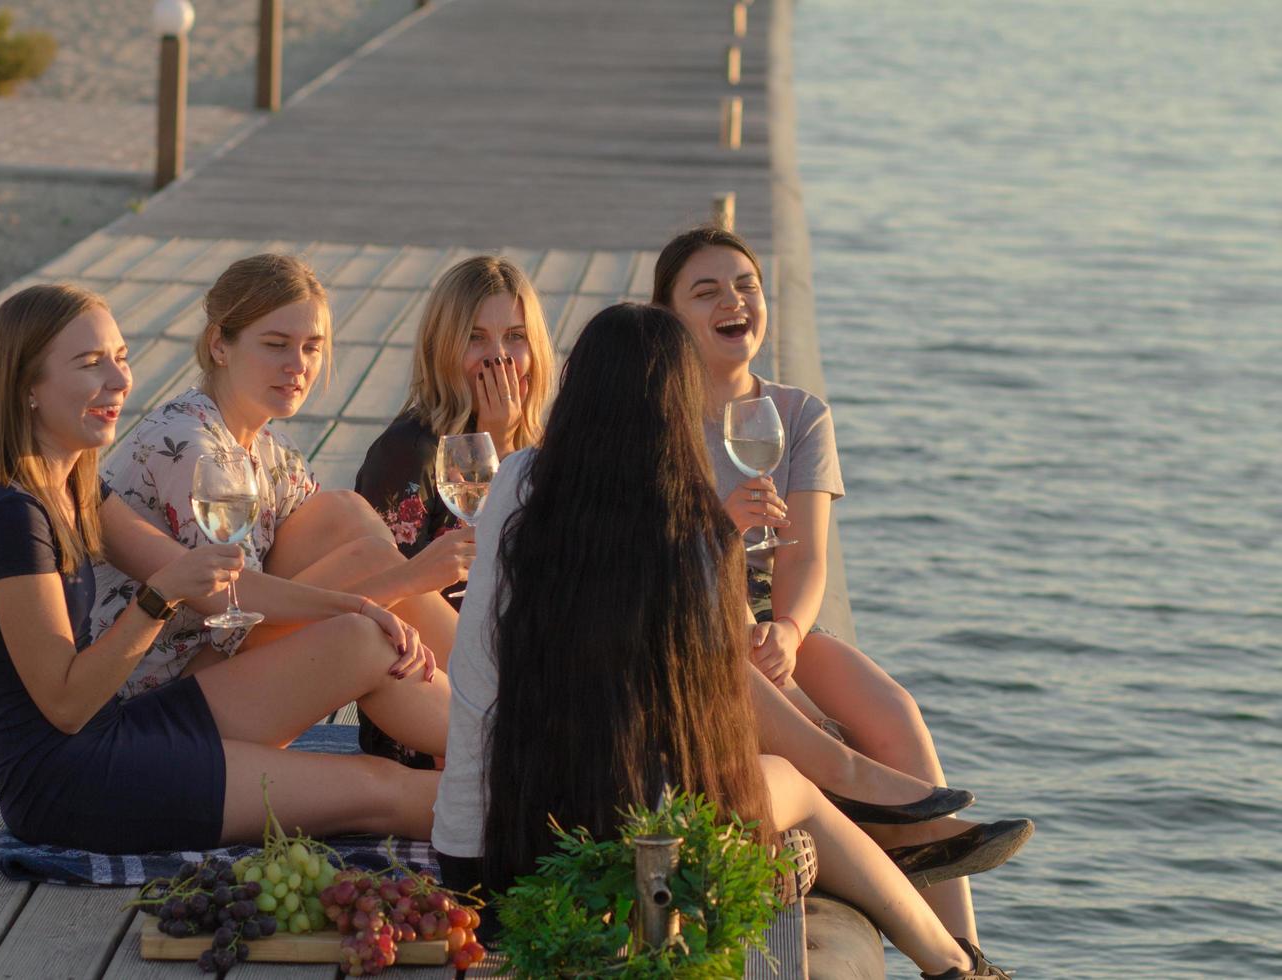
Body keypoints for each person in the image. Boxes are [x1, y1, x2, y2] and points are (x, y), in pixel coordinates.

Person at [433, 303, 1010, 979]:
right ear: (683, 407)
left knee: (778, 779)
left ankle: (916, 885)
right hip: (615, 879)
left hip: (478, 865)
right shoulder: (689, 534)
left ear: (572, 385)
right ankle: (955, 961)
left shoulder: (515, 483)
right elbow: (710, 736)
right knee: (789, 785)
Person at [0, 283, 449, 854]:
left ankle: (522, 751)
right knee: (382, 790)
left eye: (121, 358)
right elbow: (66, 705)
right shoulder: (8, 514)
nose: (120, 381)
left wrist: (358, 604)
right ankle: (536, 801)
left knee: (361, 638)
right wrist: (156, 600)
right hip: (74, 785)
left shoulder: (69, 482)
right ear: (28, 385)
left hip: (123, 733)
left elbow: (227, 588)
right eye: (89, 364)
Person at [654, 226, 1032, 941]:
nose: (733, 301)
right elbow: (651, 557)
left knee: (892, 710)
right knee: (816, 721)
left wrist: (791, 633)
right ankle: (900, 836)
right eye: (706, 292)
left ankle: (967, 950)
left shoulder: (799, 415)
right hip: (690, 604)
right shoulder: (655, 420)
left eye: (745, 285)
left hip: (771, 607)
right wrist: (722, 531)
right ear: (668, 316)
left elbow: (804, 556)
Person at [92, 253, 467, 702]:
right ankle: (492, 716)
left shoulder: (273, 451)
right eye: (276, 344)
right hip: (152, 689)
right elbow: (241, 629)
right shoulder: (189, 445)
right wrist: (405, 582)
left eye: (312, 346)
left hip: (215, 658)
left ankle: (488, 703)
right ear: (219, 345)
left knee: (345, 519)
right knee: (371, 594)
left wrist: (387, 589)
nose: (299, 364)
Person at [355, 255, 554, 598]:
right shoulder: (409, 451)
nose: (498, 356)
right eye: (475, 338)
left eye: (515, 336)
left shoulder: (547, 446)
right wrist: (492, 445)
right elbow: (394, 594)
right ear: (442, 347)